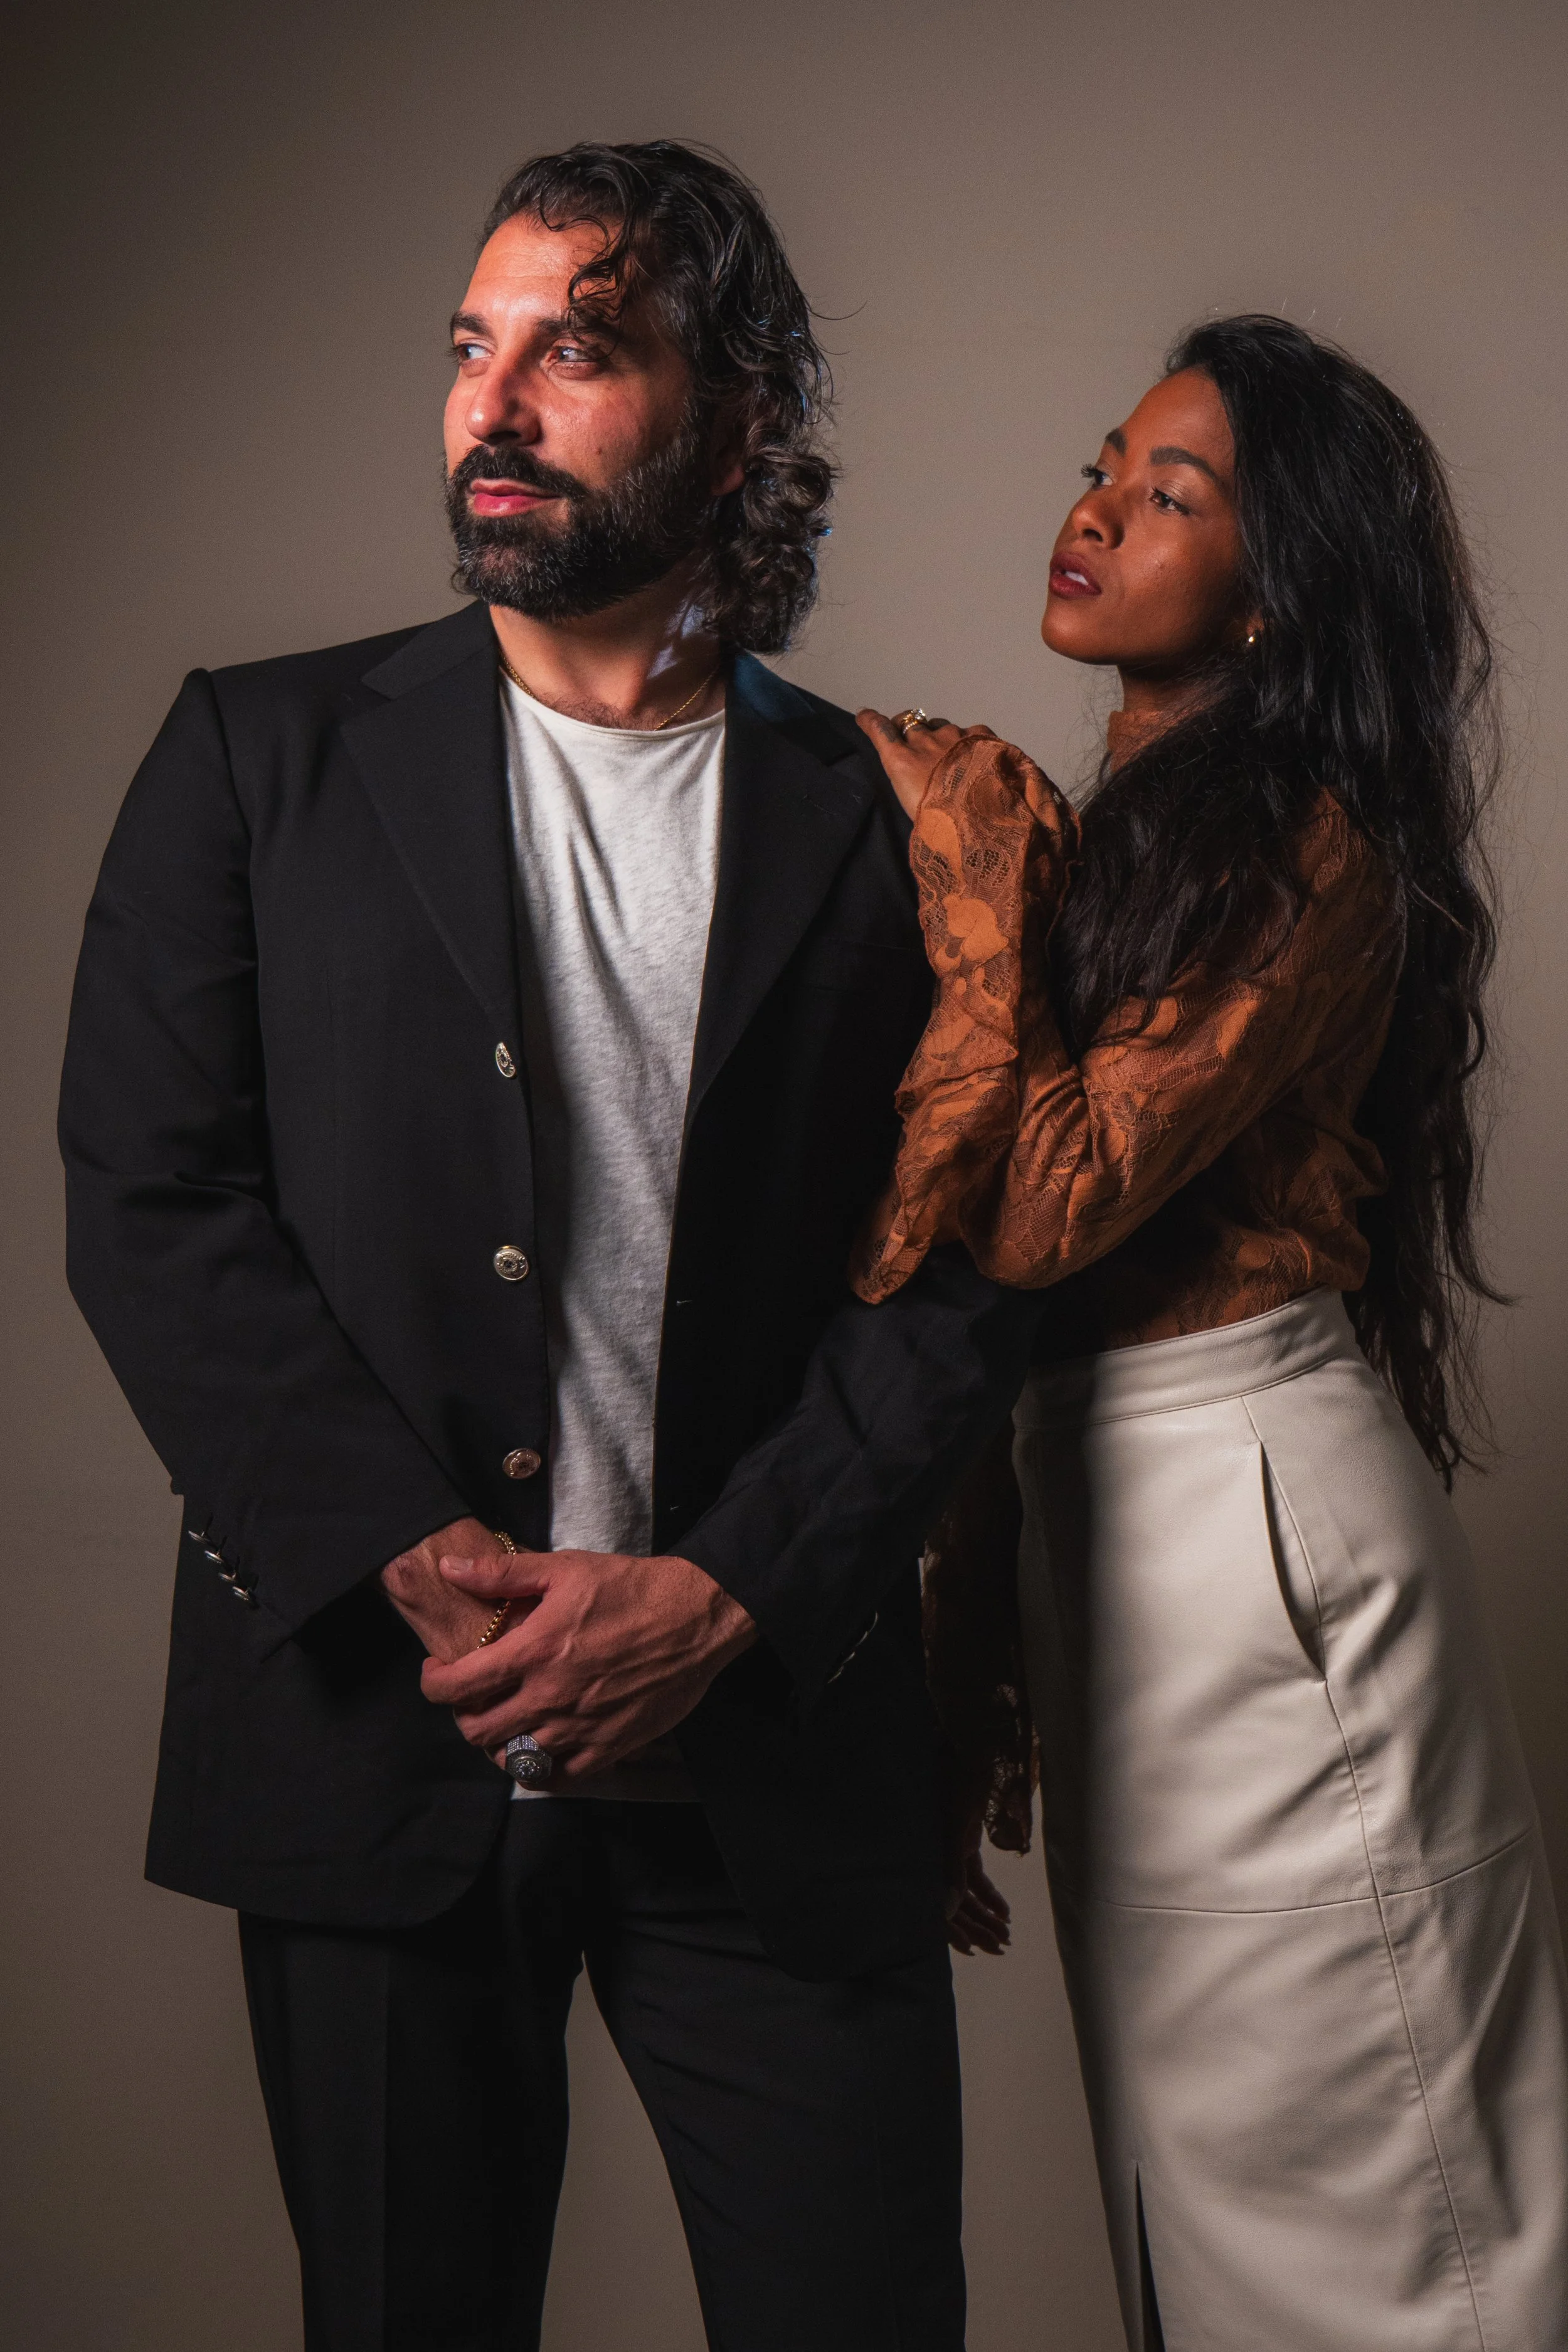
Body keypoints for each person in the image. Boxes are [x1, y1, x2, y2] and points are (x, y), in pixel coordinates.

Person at [59, 141, 1044, 2352]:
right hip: (380, 1737)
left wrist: (727, 1590)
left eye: (576, 352)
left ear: (738, 417)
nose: (490, 406)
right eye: (469, 346)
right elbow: (151, 1193)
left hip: (766, 1755)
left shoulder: (898, 822)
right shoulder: (260, 756)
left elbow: (969, 1260)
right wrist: (399, 1549)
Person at [854, 317, 1568, 2351]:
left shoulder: (1300, 838)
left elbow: (1039, 1201)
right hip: (1123, 1519)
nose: (1095, 511)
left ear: (1271, 593)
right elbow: (1021, 1305)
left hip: (1241, 1520)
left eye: (1168, 495)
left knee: (1367, 2213)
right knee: (1214, 2205)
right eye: (1103, 465)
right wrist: (966, 1679)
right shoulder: (1139, 837)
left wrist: (970, 839)